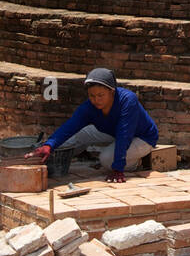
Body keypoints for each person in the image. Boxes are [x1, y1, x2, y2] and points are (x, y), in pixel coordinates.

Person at [30, 68, 158, 184]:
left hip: (142, 137)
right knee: (80, 134)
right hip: (113, 132)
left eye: (101, 95)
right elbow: (70, 126)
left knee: (106, 160)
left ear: (112, 92)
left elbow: (124, 135)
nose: (96, 100)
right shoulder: (89, 107)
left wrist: (118, 168)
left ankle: (136, 163)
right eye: (92, 96)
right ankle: (52, 159)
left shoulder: (128, 100)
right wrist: (49, 145)